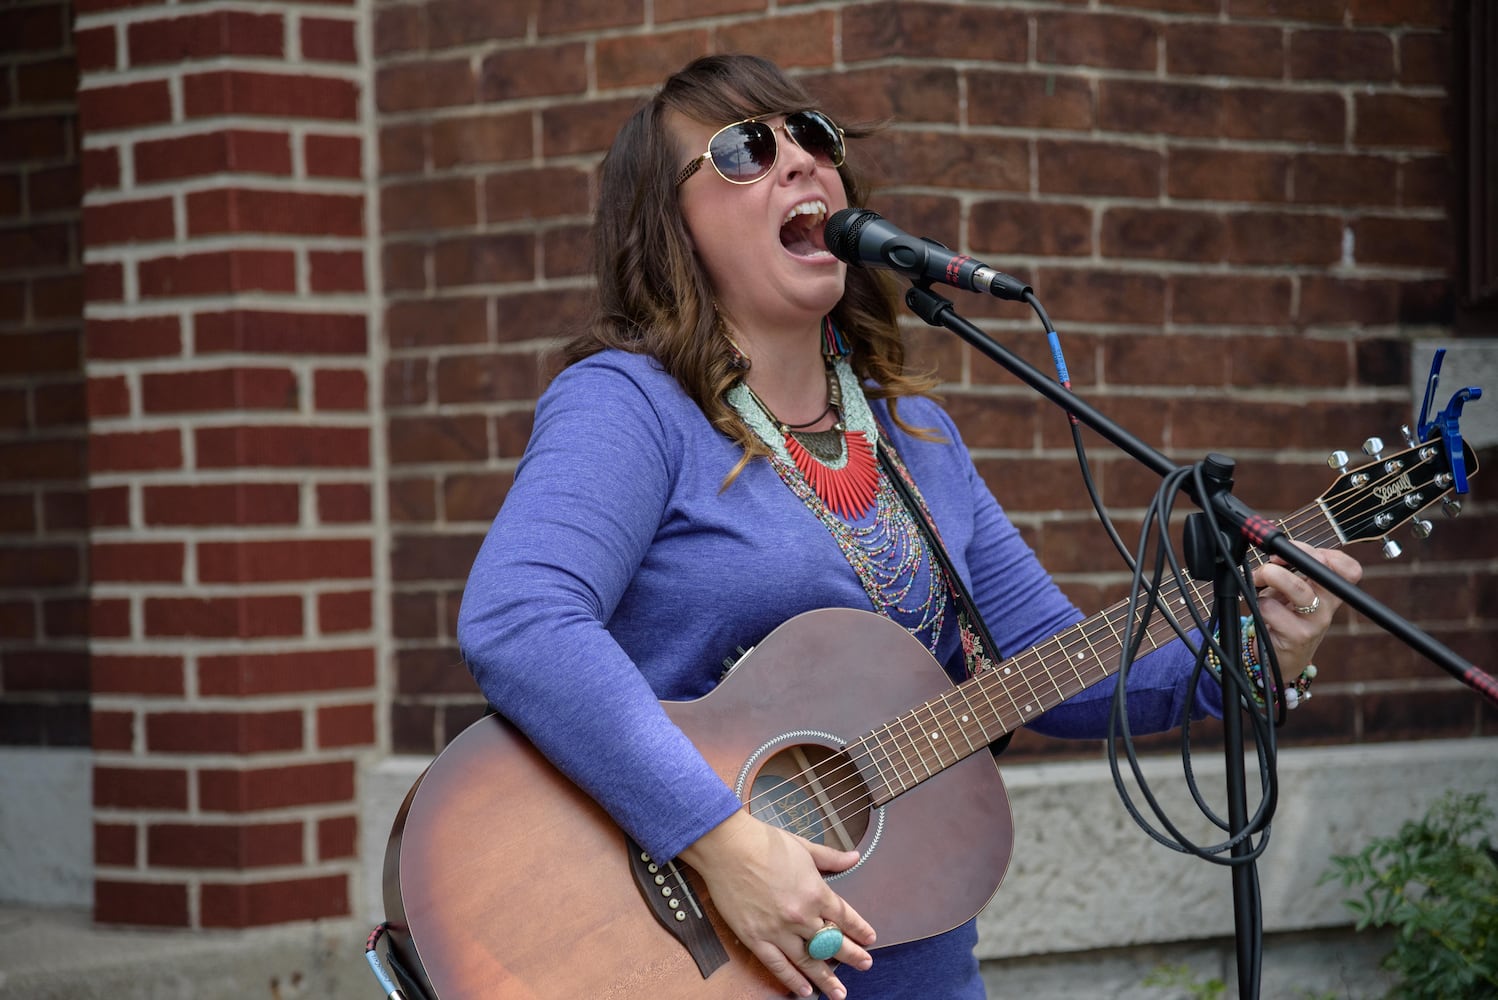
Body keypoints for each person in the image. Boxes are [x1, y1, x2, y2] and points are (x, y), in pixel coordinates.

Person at [456, 53, 1364, 1000]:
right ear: (668, 222)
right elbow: (520, 620)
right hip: (682, 951)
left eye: (815, 137)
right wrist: (719, 842)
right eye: (745, 150)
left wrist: (1255, 649)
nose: (801, 161)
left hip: (910, 960)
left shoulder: (917, 436)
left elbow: (1055, 669)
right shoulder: (632, 406)